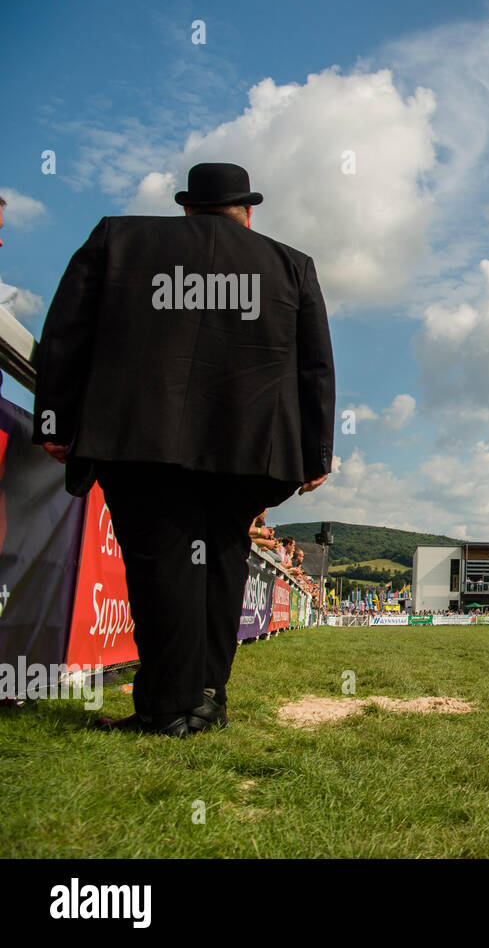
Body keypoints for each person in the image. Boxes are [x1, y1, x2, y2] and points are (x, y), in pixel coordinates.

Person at [33, 162, 335, 738]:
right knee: (221, 562)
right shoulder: (292, 264)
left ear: (188, 208)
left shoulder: (117, 238)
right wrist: (316, 451)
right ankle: (203, 699)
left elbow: (65, 333)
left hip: (138, 439)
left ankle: (170, 708)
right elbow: (315, 365)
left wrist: (55, 417)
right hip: (247, 449)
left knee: (161, 566)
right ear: (248, 211)